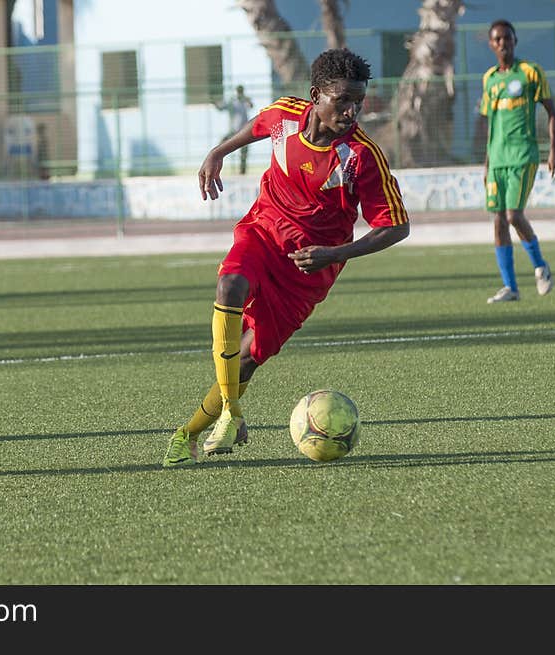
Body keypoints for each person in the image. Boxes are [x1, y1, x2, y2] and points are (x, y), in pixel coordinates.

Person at [162, 49, 410, 468]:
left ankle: (187, 433)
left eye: (358, 102)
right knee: (229, 286)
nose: (351, 111)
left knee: (247, 358)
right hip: (264, 231)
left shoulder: (362, 157)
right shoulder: (283, 117)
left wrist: (336, 253)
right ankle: (232, 414)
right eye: (342, 100)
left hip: (308, 270)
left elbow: (396, 226)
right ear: (316, 95)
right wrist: (218, 152)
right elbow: (255, 128)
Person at [480, 19, 555, 304]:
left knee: (514, 215)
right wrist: (487, 164)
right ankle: (510, 287)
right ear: (491, 44)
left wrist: (554, 149)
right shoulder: (489, 78)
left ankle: (541, 266)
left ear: (515, 40)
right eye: (497, 39)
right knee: (499, 222)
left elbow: (551, 111)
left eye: (507, 38)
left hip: (523, 156)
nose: (503, 43)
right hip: (498, 160)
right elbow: (491, 124)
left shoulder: (530, 72)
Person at [214, 85, 254, 174]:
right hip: (233, 131)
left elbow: (251, 105)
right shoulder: (232, 101)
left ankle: (242, 171)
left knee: (244, 152)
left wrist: (246, 99)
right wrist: (215, 102)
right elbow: (221, 108)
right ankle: (215, 164)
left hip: (244, 131)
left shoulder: (245, 101)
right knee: (221, 145)